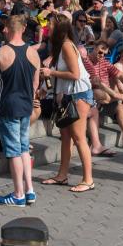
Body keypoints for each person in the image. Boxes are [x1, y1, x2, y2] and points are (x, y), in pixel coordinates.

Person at [0, 15, 41, 207]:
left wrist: (3, 90)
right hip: (26, 105)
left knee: (13, 152)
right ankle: (30, 190)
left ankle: (18, 194)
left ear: (7, 29)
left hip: (8, 105)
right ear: (24, 29)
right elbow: (35, 85)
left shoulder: (1, 52)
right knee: (24, 148)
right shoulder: (34, 53)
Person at [39, 20, 96, 193]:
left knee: (78, 137)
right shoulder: (61, 47)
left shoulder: (66, 46)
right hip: (68, 96)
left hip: (78, 95)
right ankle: (62, 175)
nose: (48, 30)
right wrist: (44, 88)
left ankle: (88, 179)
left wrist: (51, 72)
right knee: (65, 136)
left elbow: (75, 74)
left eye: (51, 27)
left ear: (60, 31)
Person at [84, 40, 123, 150]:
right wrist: (116, 95)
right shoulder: (87, 61)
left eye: (105, 54)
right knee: (101, 93)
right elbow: (97, 83)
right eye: (100, 52)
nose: (102, 56)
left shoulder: (104, 62)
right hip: (94, 95)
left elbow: (121, 75)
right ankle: (95, 143)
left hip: (106, 97)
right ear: (94, 48)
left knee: (120, 104)